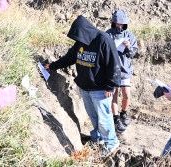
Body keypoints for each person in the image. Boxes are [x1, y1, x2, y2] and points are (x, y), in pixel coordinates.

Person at [44, 15, 121, 154]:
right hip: (85, 88)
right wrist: (53, 66)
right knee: (94, 116)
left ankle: (111, 144)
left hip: (101, 89)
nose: (77, 40)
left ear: (85, 31)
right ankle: (98, 140)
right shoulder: (81, 41)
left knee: (104, 118)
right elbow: (69, 58)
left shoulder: (103, 40)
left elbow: (114, 64)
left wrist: (111, 86)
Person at [106, 10, 138, 132]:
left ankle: (123, 113)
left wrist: (128, 46)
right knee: (113, 95)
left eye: (122, 24)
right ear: (113, 22)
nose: (119, 26)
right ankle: (115, 119)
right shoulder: (108, 34)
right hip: (112, 70)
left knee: (126, 94)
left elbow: (132, 54)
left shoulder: (130, 36)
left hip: (125, 70)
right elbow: (103, 51)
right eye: (117, 23)